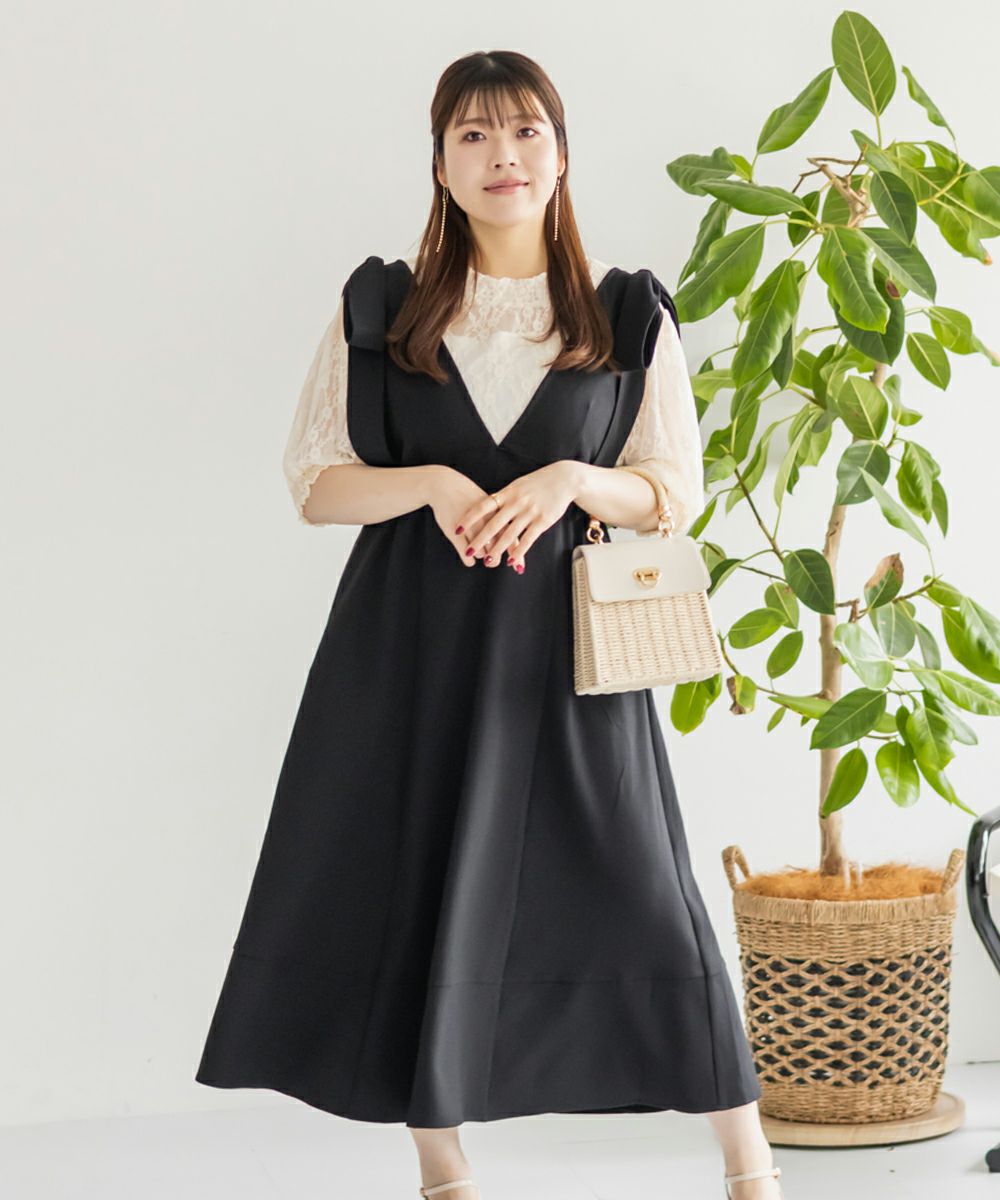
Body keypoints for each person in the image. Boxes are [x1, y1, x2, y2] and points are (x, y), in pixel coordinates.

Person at [195, 49, 785, 1200]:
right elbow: (315, 483)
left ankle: (747, 1162)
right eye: (472, 135)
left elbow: (672, 489)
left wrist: (569, 478)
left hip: (568, 653)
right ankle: (444, 1167)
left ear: (561, 156)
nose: (501, 155)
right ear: (439, 164)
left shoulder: (624, 310)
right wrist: (427, 483)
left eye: (523, 132)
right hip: (407, 647)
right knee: (412, 882)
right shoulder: (382, 308)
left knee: (642, 883)